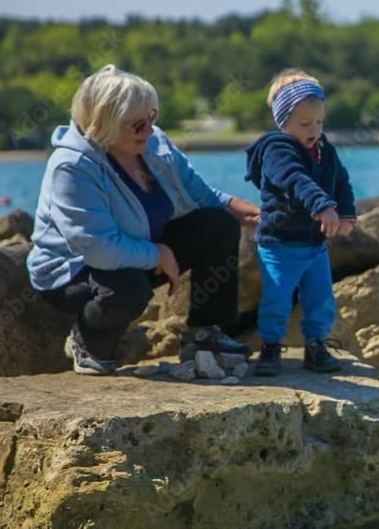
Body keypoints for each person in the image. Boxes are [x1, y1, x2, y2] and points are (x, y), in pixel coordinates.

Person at [28, 64, 261, 375]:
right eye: (138, 124)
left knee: (218, 224)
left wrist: (243, 210)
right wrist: (158, 254)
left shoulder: (153, 143)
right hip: (75, 270)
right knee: (130, 288)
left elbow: (196, 191)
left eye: (152, 118)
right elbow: (97, 248)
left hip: (136, 250)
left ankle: (204, 336)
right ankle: (87, 337)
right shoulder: (72, 167)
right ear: (104, 122)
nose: (149, 130)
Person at [244, 69, 357, 376]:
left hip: (314, 244)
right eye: (305, 124)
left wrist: (346, 213)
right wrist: (322, 206)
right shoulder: (277, 150)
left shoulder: (324, 149)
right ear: (283, 121)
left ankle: (316, 344)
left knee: (321, 297)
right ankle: (270, 346)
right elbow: (295, 180)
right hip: (279, 243)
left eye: (319, 122)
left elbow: (341, 181)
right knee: (278, 298)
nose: (314, 130)